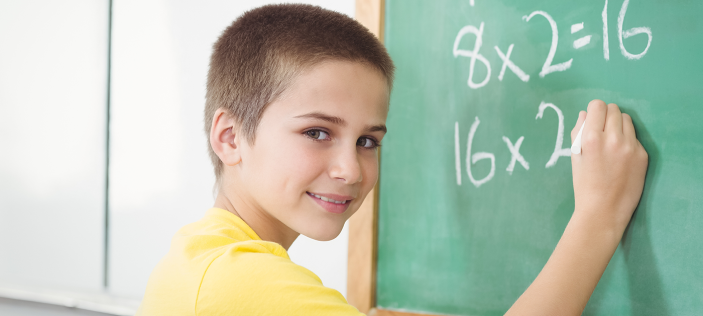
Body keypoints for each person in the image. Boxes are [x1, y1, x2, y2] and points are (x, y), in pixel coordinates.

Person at [137, 4, 648, 316]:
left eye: (368, 141)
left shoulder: (200, 260)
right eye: (317, 132)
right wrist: (598, 215)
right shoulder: (236, 282)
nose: (351, 170)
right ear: (230, 138)